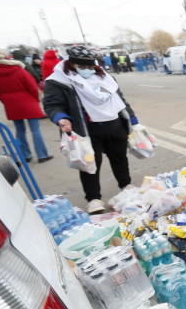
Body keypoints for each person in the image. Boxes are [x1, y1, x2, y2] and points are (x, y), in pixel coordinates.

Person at [43, 46, 139, 214]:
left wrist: (131, 117)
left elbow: (119, 99)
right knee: (89, 165)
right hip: (86, 130)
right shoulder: (59, 81)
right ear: (71, 64)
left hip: (114, 125)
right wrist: (61, 118)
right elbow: (52, 105)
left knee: (120, 158)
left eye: (90, 66)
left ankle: (126, 185)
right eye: (82, 67)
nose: (87, 70)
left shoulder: (105, 77)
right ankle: (93, 198)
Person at [0, 49, 52, 163]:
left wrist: (4, 99)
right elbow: (32, 86)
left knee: (19, 130)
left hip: (10, 104)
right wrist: (36, 98)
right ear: (7, 57)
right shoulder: (18, 69)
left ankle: (25, 155)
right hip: (28, 101)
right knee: (35, 130)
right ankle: (42, 155)